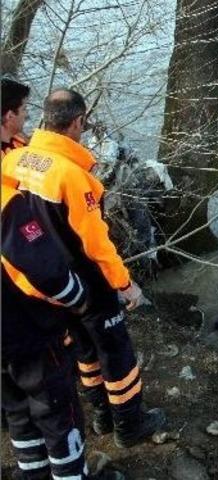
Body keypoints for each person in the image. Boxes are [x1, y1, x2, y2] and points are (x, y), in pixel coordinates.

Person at [2, 89, 165, 448]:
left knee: (84, 350)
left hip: (52, 281)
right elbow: (96, 244)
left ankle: (102, 415)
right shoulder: (74, 177)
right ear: (77, 122)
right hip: (87, 279)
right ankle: (129, 423)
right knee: (116, 352)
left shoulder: (15, 159)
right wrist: (125, 284)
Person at [1, 173, 124, 479]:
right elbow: (45, 269)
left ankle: (34, 474)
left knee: (17, 409)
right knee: (57, 412)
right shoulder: (6, 201)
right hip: (26, 329)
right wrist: (78, 296)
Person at [1, 77, 30, 157]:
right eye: (24, 109)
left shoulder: (19, 140)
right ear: (10, 115)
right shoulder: (5, 158)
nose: (26, 114)